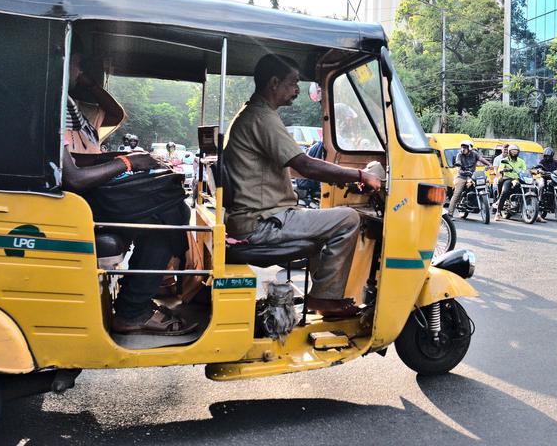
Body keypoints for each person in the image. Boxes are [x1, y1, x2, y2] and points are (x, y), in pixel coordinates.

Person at [223, 54, 382, 318]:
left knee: (326, 222)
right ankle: (323, 299)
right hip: (263, 222)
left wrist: (343, 175)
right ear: (274, 83)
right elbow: (305, 165)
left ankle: (325, 295)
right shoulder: (262, 118)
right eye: (293, 83)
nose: (297, 89)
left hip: (255, 216)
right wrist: (360, 176)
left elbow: (292, 165)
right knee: (348, 219)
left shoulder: (253, 114)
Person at [63, 45, 195, 336]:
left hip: (91, 193)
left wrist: (134, 161)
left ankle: (140, 295)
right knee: (170, 211)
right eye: (77, 65)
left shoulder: (70, 103)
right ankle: (133, 310)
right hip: (78, 199)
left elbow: (85, 153)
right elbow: (72, 176)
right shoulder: (52, 105)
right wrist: (128, 161)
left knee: (168, 196)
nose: (81, 71)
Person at [447, 140, 490, 218]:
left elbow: (481, 159)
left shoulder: (474, 154)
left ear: (470, 148)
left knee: (483, 184)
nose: (463, 149)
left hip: (472, 175)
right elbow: (458, 165)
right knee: (457, 193)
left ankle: (475, 202)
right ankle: (450, 214)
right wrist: (460, 170)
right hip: (461, 176)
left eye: (465, 147)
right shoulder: (459, 155)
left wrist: (489, 164)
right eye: (462, 147)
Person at [494, 144, 527, 220]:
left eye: (516, 151)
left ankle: (537, 213)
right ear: (509, 152)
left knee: (532, 189)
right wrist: (504, 170)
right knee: (505, 192)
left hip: (519, 179)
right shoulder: (505, 160)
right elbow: (500, 169)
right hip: (508, 178)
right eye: (513, 151)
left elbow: (525, 170)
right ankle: (498, 212)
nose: (514, 153)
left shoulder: (521, 161)